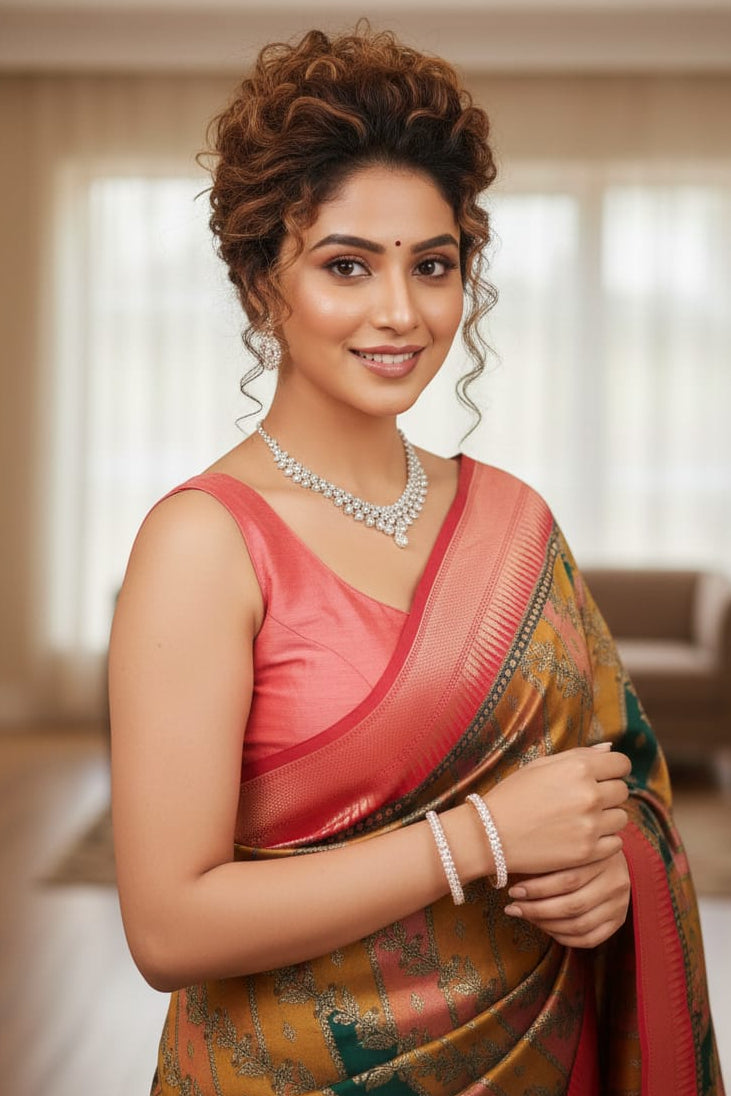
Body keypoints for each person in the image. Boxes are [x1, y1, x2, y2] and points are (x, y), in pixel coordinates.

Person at [108, 26, 724, 1096]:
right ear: (261, 281)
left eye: (431, 266)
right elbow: (169, 924)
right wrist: (480, 836)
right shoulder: (203, 543)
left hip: (535, 1058)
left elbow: (616, 788)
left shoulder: (516, 523)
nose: (400, 313)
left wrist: (606, 875)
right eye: (346, 265)